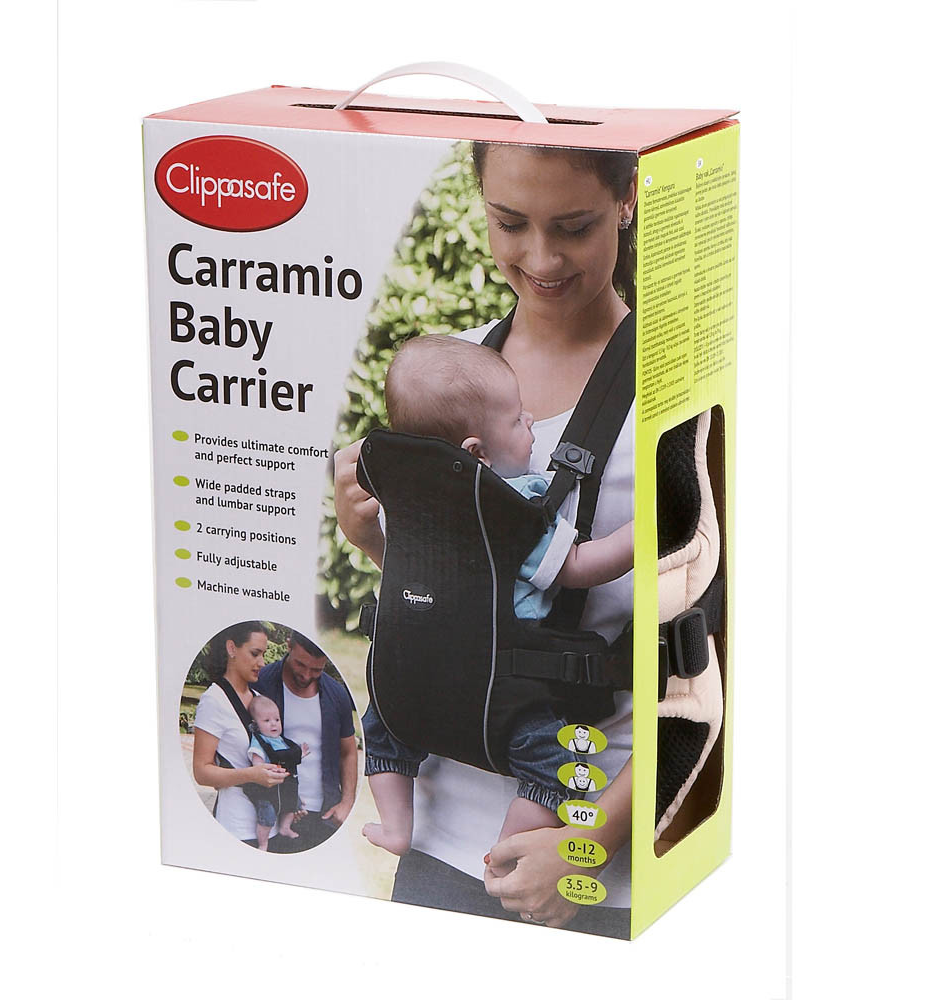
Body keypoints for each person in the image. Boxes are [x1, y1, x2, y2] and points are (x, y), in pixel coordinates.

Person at [334, 140, 638, 935]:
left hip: (584, 850)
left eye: (573, 226)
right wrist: (373, 542)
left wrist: (591, 844)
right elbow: (452, 590)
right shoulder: (446, 375)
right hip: (437, 841)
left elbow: (716, 668)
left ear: (628, 199)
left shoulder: (676, 395)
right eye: (510, 222)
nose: (540, 258)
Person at [360, 334, 633, 856]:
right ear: (477, 453)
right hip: (501, 690)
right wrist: (640, 535)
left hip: (410, 682)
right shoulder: (510, 506)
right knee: (556, 768)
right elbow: (576, 567)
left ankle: (395, 825)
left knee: (383, 728)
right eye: (517, 420)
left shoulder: (405, 501)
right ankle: (508, 847)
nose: (531, 422)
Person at [253, 632, 358, 853]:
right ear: (289, 646)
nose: (306, 675)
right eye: (300, 664)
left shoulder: (337, 694)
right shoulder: (261, 683)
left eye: (316, 669)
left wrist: (347, 802)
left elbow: (348, 752)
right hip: (272, 812)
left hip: (324, 815)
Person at [191, 622, 289, 847]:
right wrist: (251, 775)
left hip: (271, 826)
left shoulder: (258, 698)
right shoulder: (214, 700)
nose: (262, 663)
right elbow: (201, 772)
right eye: (255, 653)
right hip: (236, 828)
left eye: (263, 654)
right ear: (232, 648)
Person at [246, 694, 309, 850]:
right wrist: (260, 767)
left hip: (287, 786)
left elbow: (290, 757)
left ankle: (285, 828)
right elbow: (257, 761)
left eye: (277, 719)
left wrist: (300, 754)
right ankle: (263, 843)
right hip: (269, 789)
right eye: (267, 721)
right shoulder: (260, 742)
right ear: (256, 725)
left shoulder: (281, 740)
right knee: (266, 817)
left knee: (293, 805)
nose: (273, 724)